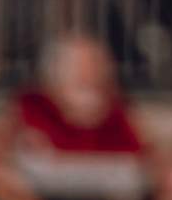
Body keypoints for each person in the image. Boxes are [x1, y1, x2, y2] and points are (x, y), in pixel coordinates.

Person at [11, 33, 143, 156]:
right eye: (80, 68)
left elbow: (144, 151)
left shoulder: (117, 111)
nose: (90, 77)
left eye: (95, 66)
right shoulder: (34, 107)